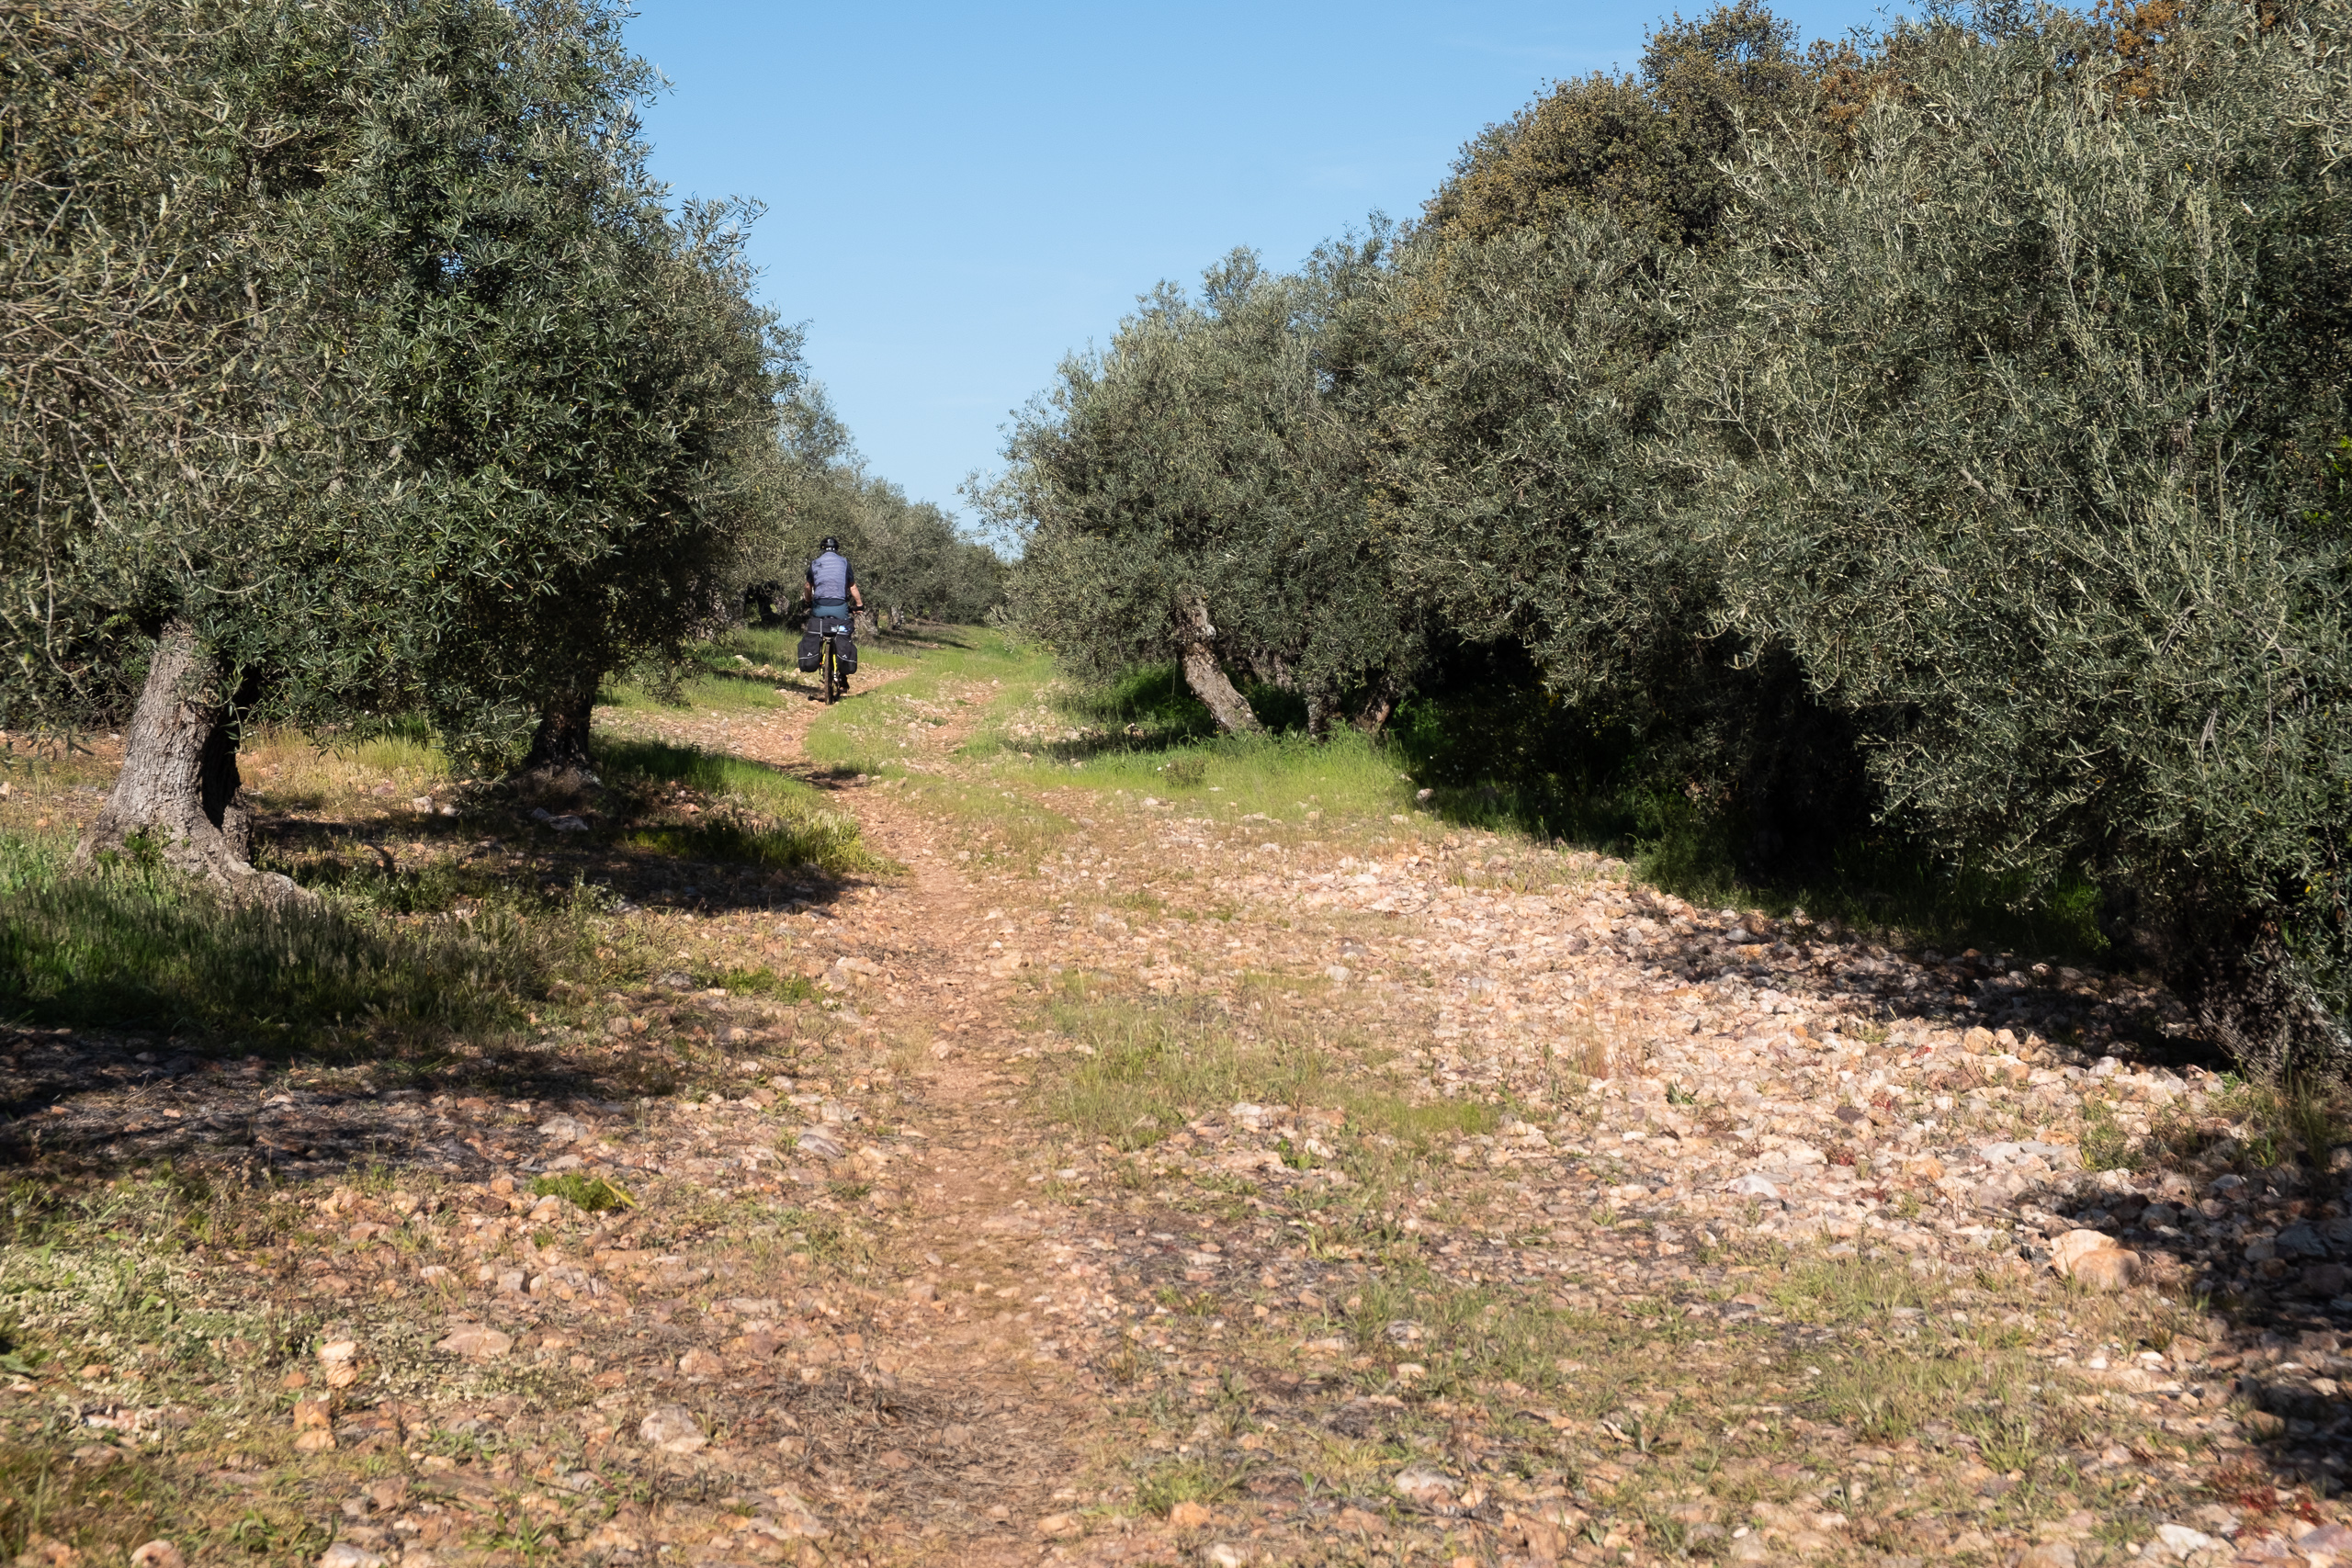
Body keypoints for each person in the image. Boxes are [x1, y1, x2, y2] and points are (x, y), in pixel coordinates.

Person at [804, 536, 863, 690]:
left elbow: (807, 586)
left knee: (819, 630)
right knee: (843, 631)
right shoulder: (844, 563)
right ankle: (842, 673)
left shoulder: (815, 563)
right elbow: (853, 588)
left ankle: (819, 657)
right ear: (837, 549)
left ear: (822, 549)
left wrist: (808, 601)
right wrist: (859, 605)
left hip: (819, 607)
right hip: (839, 607)